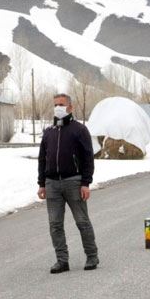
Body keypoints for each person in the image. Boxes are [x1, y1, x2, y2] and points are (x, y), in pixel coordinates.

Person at [38, 93, 97, 273]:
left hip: (74, 182)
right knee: (55, 224)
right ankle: (62, 260)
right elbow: (42, 158)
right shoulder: (49, 132)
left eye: (61, 104)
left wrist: (86, 182)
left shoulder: (79, 130)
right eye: (55, 104)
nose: (58, 108)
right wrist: (41, 183)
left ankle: (92, 256)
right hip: (52, 184)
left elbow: (88, 158)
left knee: (82, 221)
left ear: (70, 107)